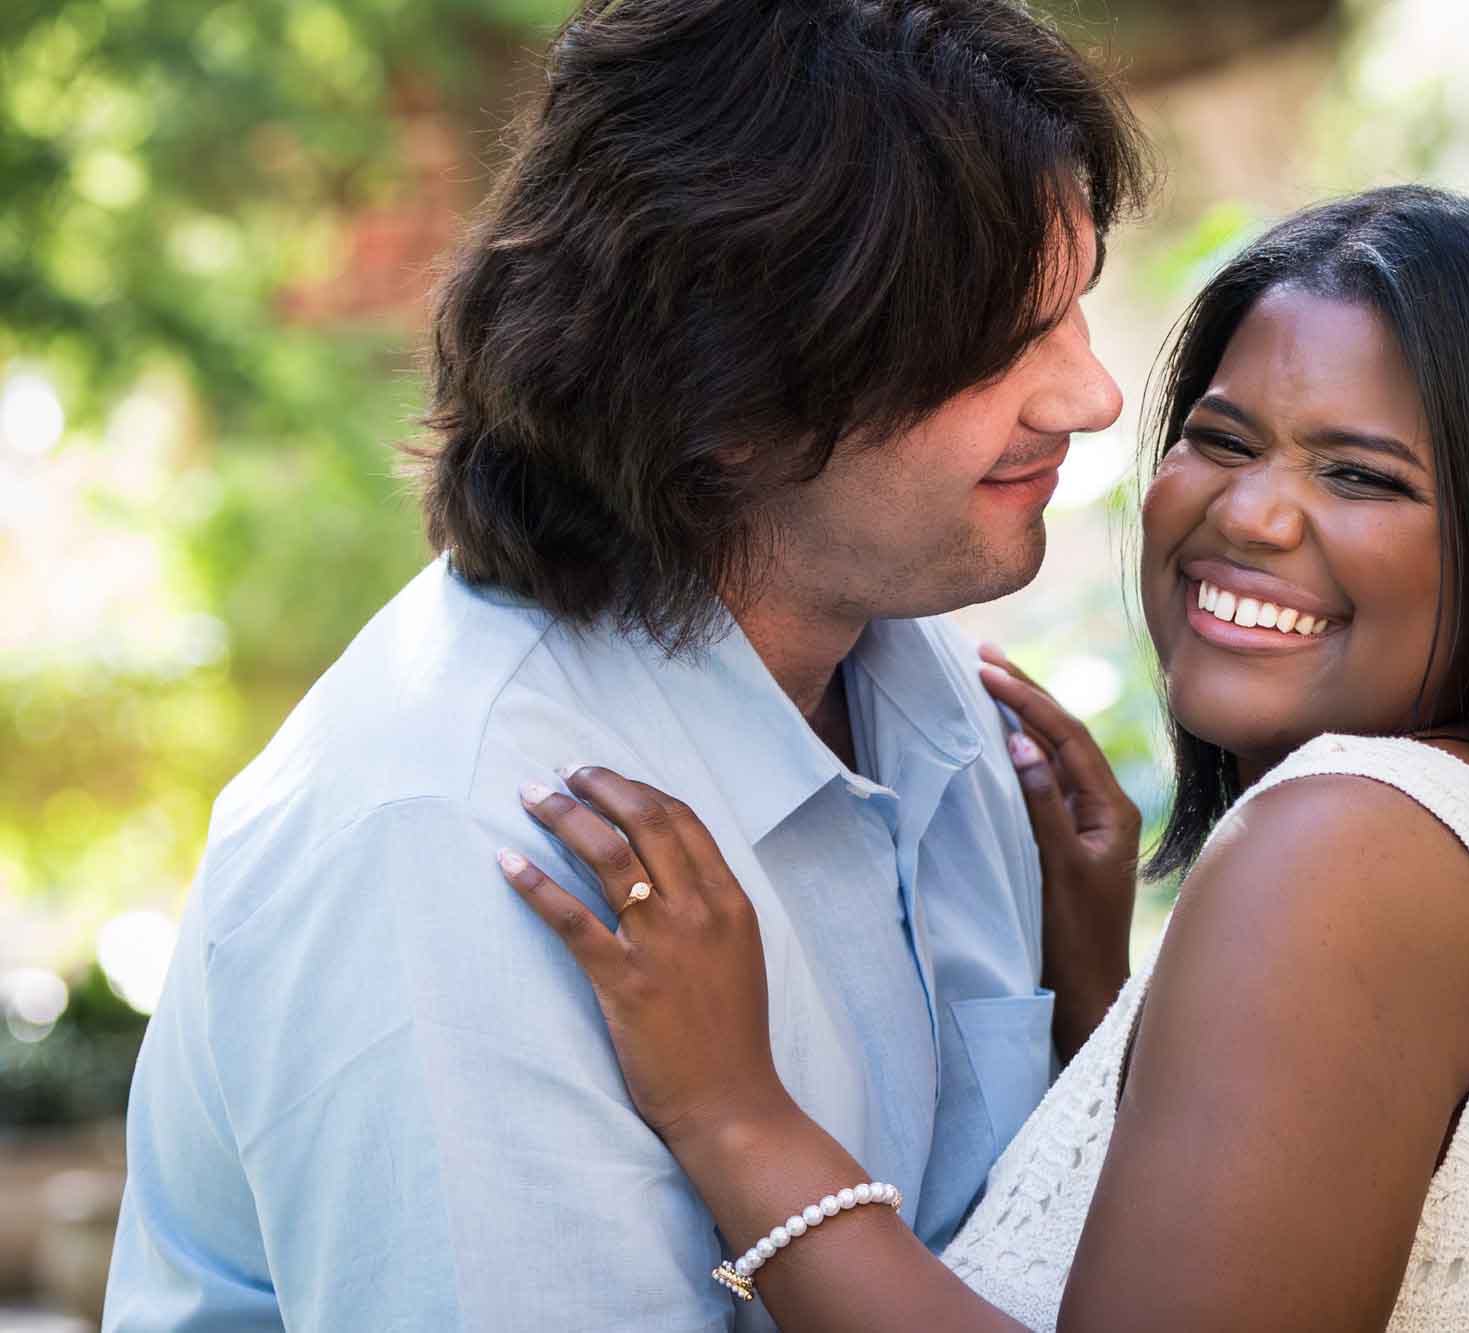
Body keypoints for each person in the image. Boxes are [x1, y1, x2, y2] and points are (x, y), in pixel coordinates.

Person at [495, 186, 1469, 1330]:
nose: (1246, 514)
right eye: (1223, 440)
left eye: (1357, 475)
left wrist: (735, 1114)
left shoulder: (1348, 850)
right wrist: (1105, 1011)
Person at [104, 2, 1151, 1329]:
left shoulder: (916, 672)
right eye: (1001, 343)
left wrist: (1093, 1014)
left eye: (1073, 310)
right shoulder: (464, 840)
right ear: (730, 402)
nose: (1091, 395)